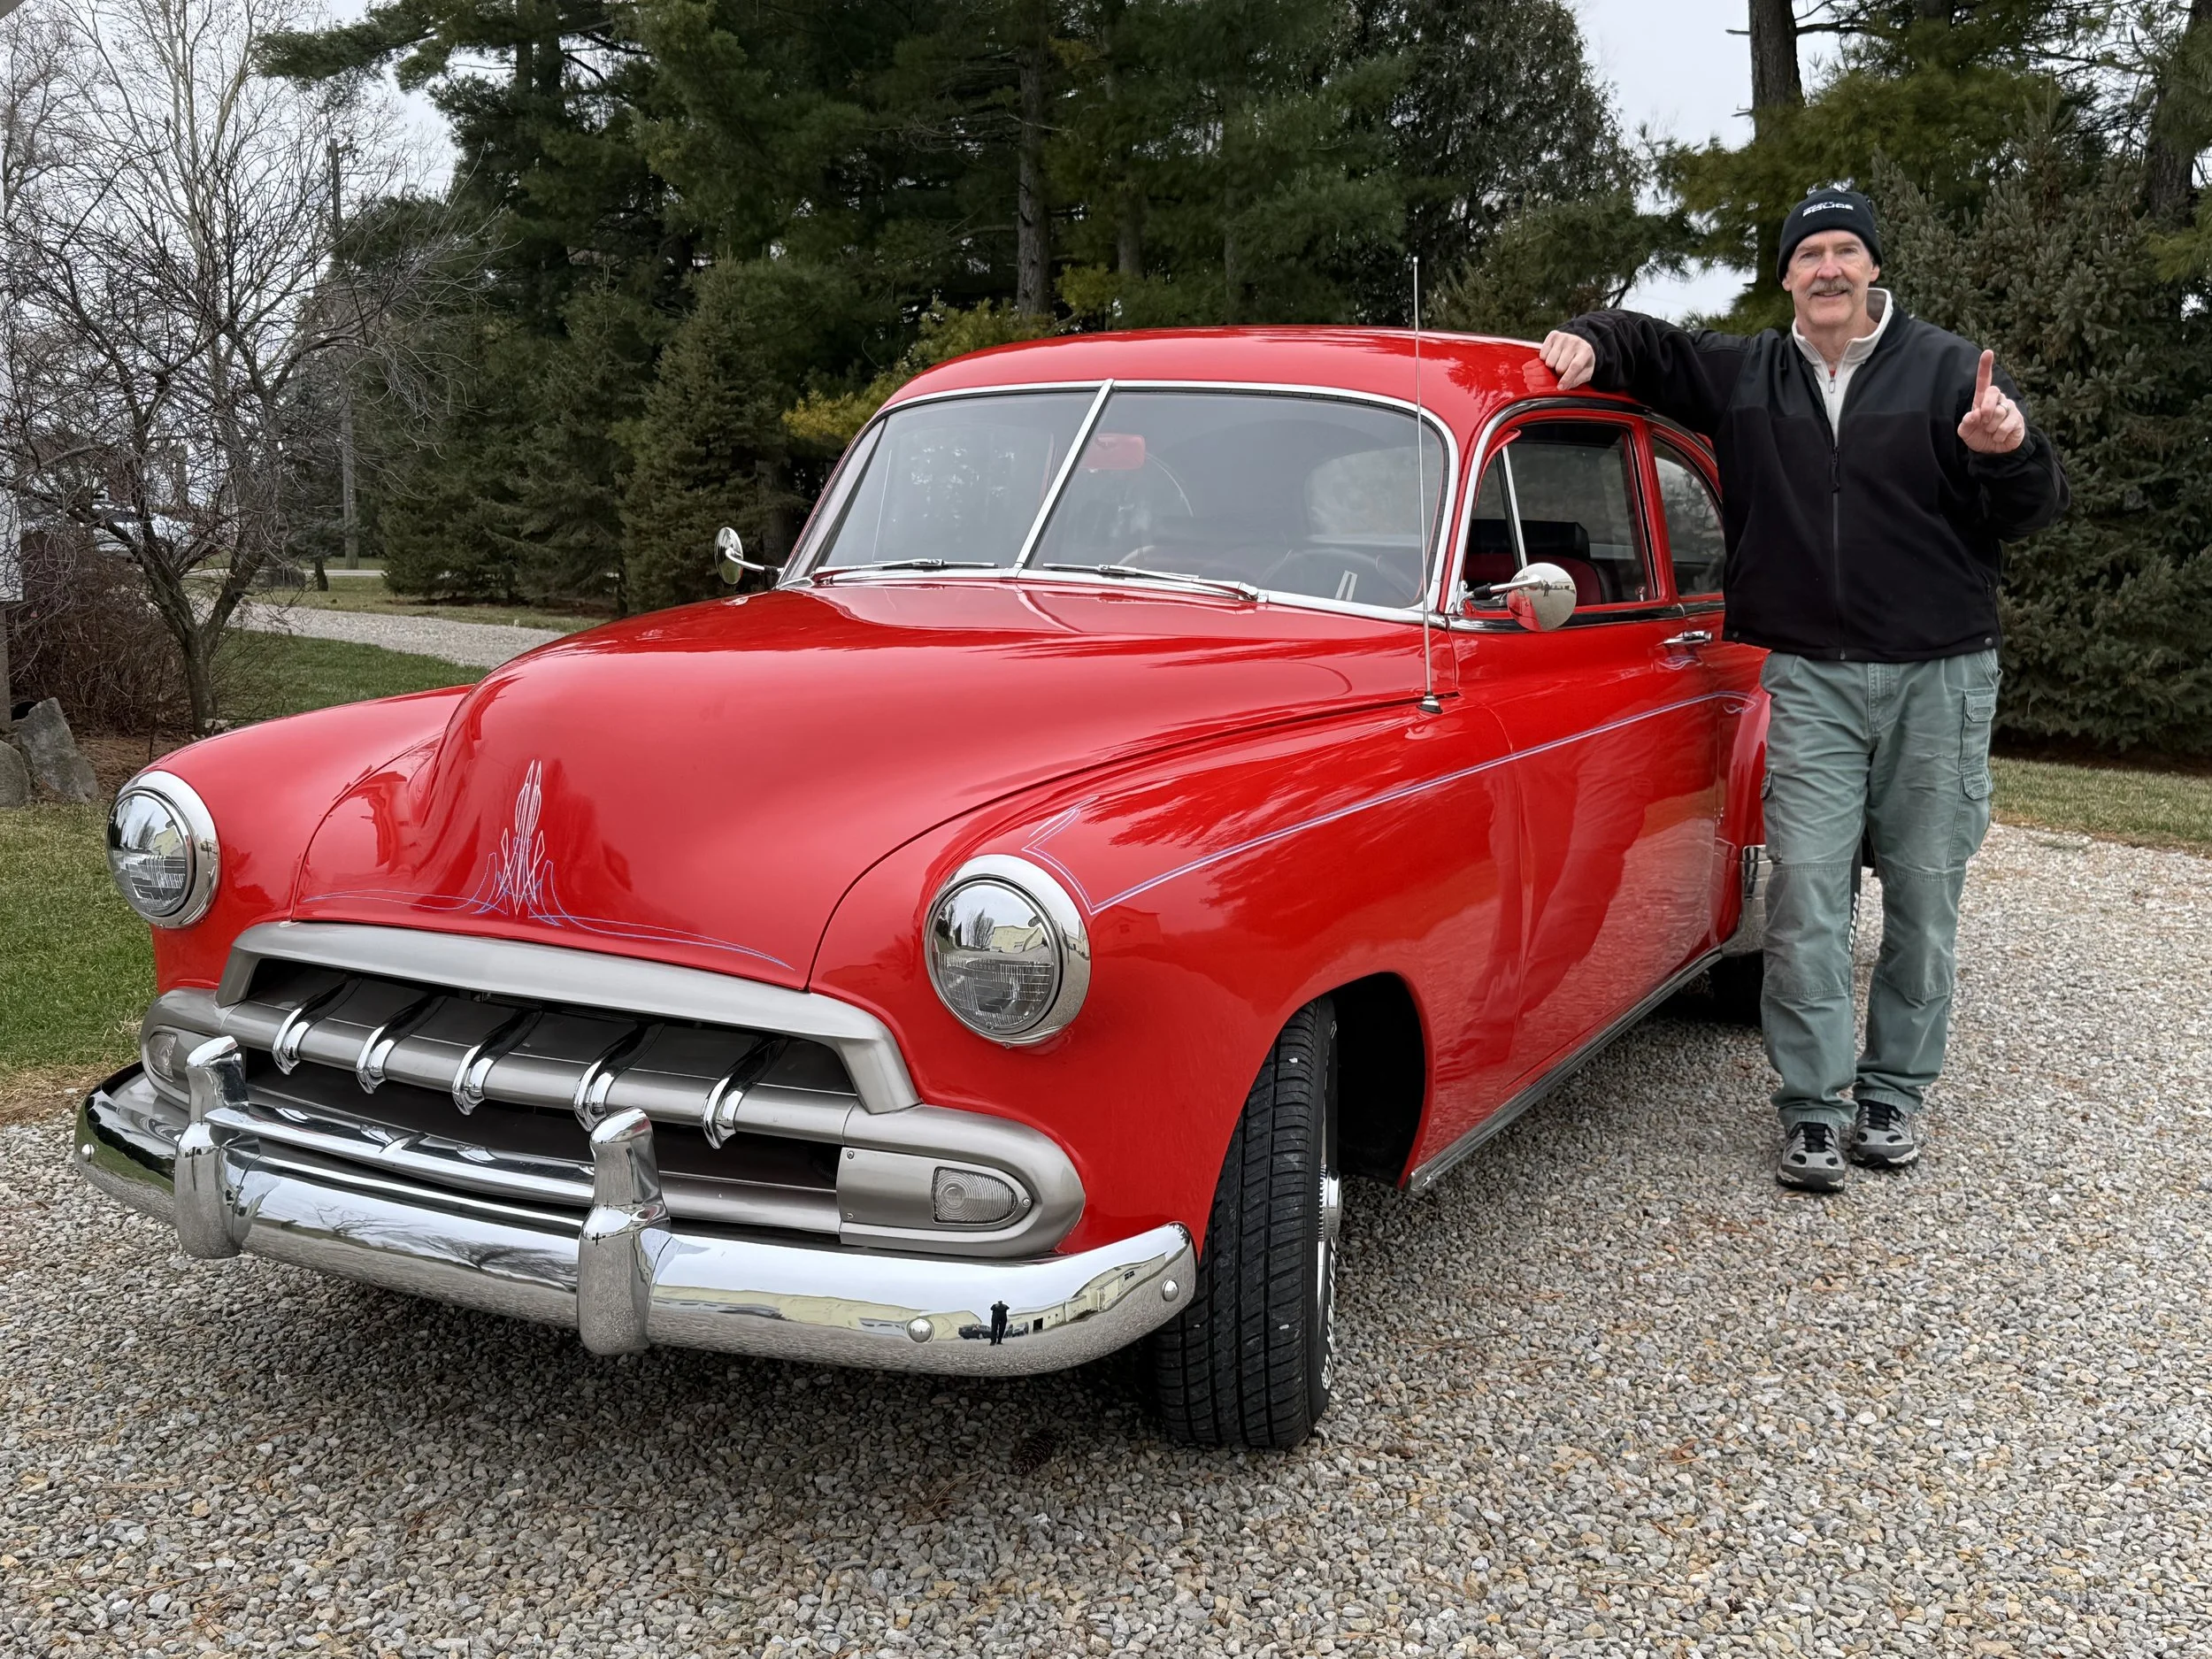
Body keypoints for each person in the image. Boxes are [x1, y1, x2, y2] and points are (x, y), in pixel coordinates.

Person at [1539, 186, 2069, 1193]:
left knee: (1922, 894)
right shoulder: (1748, 374)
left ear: (1872, 267)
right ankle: (1814, 1108)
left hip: (1938, 673)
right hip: (1811, 679)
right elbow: (1651, 348)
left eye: (1844, 251)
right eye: (1807, 254)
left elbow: (2032, 509)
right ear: (1784, 275)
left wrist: (2010, 450)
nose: (1827, 268)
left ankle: (1894, 1094)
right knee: (1804, 898)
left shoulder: (1951, 369)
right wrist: (1586, 336)